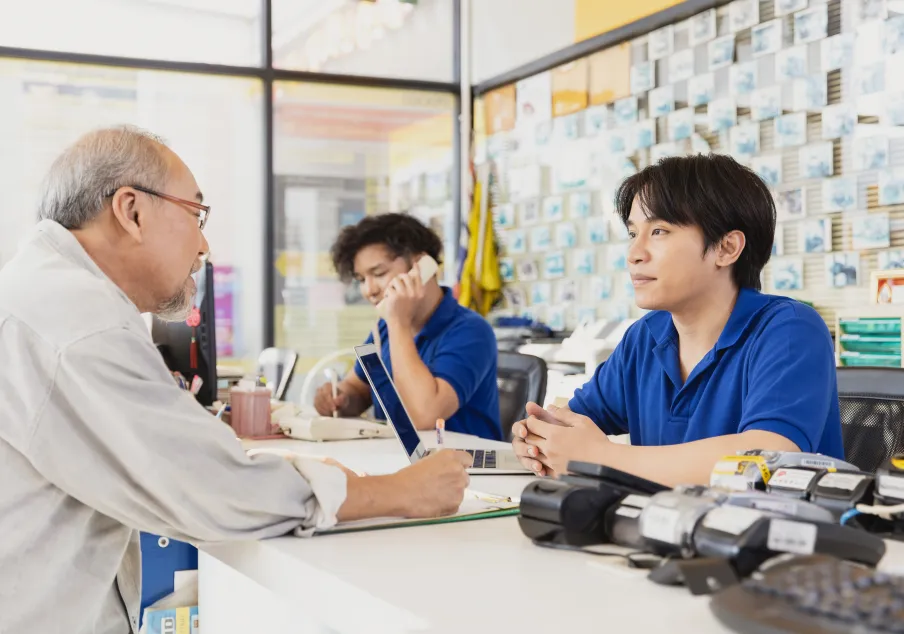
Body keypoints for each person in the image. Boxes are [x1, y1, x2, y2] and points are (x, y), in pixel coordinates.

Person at [0, 126, 472, 634]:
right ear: (132, 212)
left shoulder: (45, 295)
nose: (204, 245)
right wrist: (398, 492)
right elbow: (208, 487)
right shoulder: (76, 319)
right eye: (196, 215)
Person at [512, 154, 844, 486]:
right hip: (663, 528)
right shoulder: (645, 337)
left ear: (726, 248)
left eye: (658, 231)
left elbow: (765, 459)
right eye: (632, 233)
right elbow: (567, 422)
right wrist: (539, 437)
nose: (634, 254)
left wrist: (603, 456)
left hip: (773, 533)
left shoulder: (790, 330)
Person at [315, 214, 502, 441]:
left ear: (421, 266)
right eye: (362, 279)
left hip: (468, 470)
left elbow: (423, 417)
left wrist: (398, 323)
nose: (369, 290)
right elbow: (359, 388)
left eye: (379, 274)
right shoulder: (384, 329)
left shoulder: (471, 331)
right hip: (402, 463)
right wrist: (340, 398)